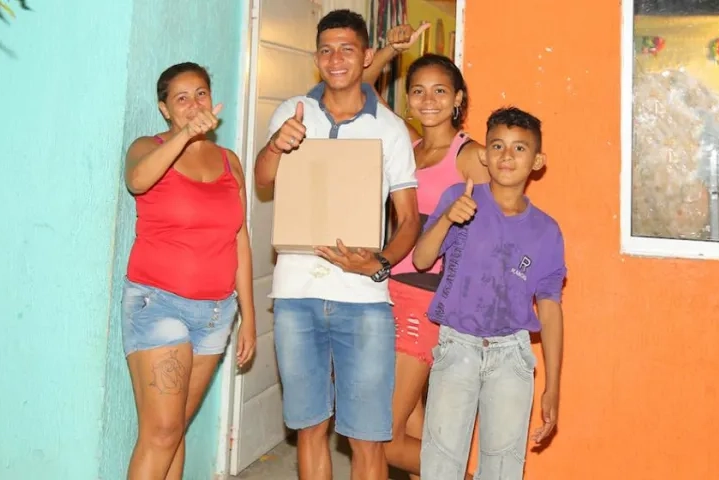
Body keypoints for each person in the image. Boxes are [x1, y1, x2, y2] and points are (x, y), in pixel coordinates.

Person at [253, 10, 420, 480]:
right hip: (295, 295)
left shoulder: (389, 128)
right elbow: (263, 181)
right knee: (310, 429)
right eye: (326, 49)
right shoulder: (291, 112)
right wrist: (276, 146)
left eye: (347, 48)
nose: (336, 58)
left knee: (367, 438)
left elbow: (409, 220)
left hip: (364, 302)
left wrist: (378, 262)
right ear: (316, 57)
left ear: (367, 55)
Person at [362, 26, 489, 479]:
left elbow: (500, 226)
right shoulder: (406, 149)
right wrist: (388, 53)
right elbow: (357, 95)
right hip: (388, 289)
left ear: (458, 98)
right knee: (415, 424)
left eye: (440, 90)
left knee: (378, 436)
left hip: (427, 298)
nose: (428, 99)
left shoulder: (470, 155)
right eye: (417, 90)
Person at [413, 107, 566, 480]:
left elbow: (550, 310)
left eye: (519, 148)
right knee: (441, 463)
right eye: (497, 146)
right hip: (456, 348)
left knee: (502, 466)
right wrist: (449, 216)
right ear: (484, 155)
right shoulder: (460, 197)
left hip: (512, 357)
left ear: (537, 161)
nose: (506, 156)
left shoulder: (546, 231)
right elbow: (421, 259)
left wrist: (553, 386)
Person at [120, 62, 256, 480]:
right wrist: (183, 136)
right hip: (158, 305)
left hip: (215, 314)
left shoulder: (229, 161)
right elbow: (137, 181)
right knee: (160, 432)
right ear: (165, 109)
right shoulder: (148, 146)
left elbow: (239, 238)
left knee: (175, 431)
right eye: (181, 98)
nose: (193, 104)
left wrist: (247, 317)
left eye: (200, 93)